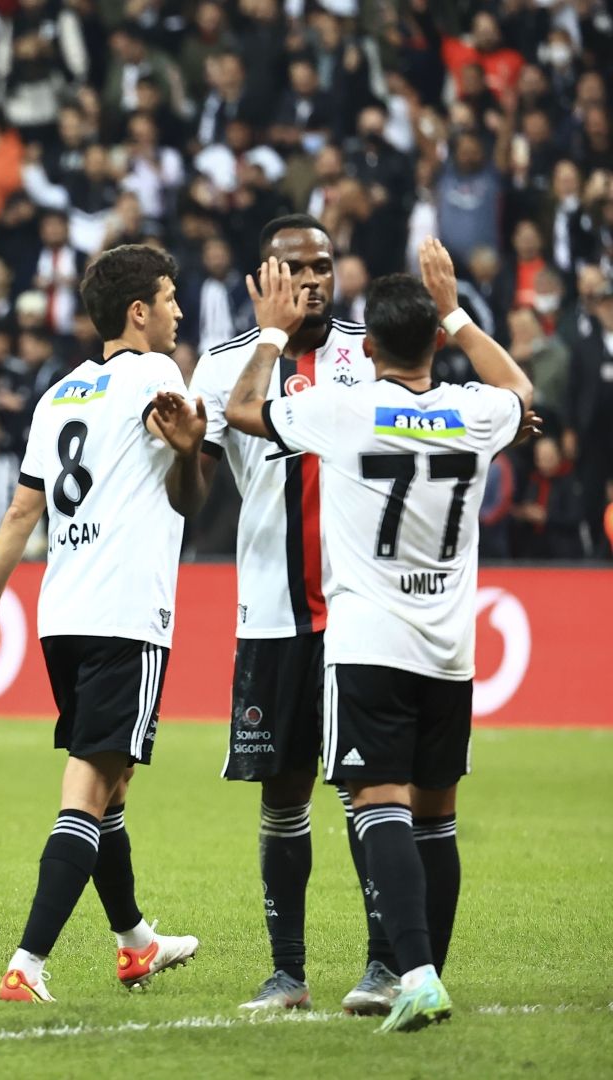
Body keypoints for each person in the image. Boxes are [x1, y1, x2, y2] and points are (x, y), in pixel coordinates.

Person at [219, 240, 534, 1034]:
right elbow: (521, 390)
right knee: (438, 816)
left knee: (376, 802)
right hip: (451, 646)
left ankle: (415, 973)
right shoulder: (475, 411)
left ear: (369, 349)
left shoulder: (342, 408)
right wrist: (457, 310)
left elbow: (241, 412)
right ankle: (418, 972)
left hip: (369, 640)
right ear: (432, 341)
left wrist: (264, 335)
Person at [0, 244, 206, 1003]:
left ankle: (135, 942)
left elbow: (23, 509)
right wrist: (194, 455)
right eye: (169, 298)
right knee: (90, 787)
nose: (178, 312)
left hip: (61, 613)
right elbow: (190, 499)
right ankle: (26, 964)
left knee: (112, 783)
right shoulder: (160, 375)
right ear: (139, 312)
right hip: (128, 612)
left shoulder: (56, 394)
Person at [188, 215, 398, 1014]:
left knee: (365, 789)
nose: (314, 280)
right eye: (297, 269)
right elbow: (192, 496)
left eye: (324, 266)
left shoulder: (371, 354)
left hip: (355, 612)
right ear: (264, 277)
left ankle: (383, 965)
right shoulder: (222, 368)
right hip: (271, 617)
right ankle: (288, 973)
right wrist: (181, 451)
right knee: (283, 796)